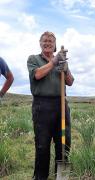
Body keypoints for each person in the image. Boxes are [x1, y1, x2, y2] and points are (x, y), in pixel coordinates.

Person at [27, 31, 74, 180]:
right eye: (45, 41)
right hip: (42, 106)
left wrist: (65, 69)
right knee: (42, 145)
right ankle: (41, 177)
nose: (47, 43)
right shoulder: (33, 59)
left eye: (51, 41)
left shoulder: (60, 61)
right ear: (40, 43)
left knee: (64, 142)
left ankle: (61, 176)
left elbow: (70, 81)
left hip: (61, 105)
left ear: (55, 45)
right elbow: (37, 75)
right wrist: (53, 63)